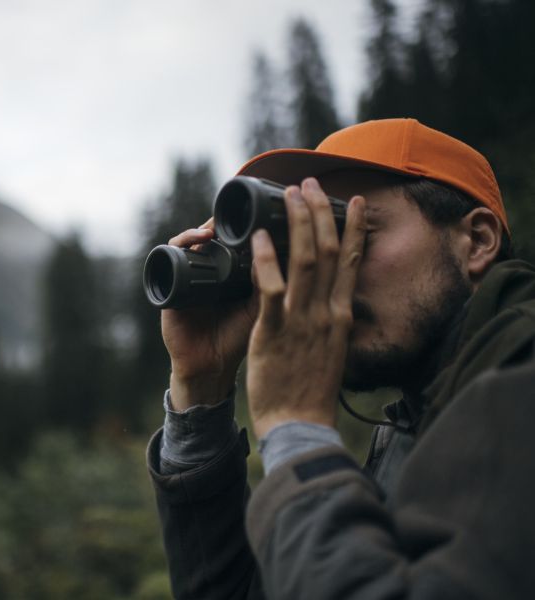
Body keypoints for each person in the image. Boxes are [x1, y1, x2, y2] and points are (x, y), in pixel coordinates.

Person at [147, 118, 535, 599]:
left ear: (476, 241)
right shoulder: (414, 422)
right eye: (310, 241)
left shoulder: (522, 378)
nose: (329, 268)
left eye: (356, 233)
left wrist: (296, 430)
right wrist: (200, 387)